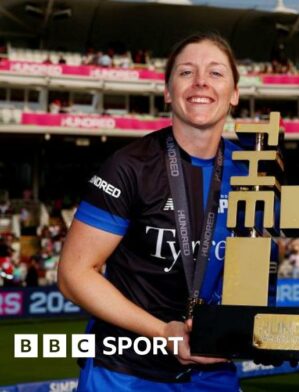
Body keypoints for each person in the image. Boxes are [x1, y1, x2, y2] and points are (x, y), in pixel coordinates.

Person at [58, 32, 247, 390]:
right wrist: (163, 331)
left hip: (213, 373)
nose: (201, 82)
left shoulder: (252, 175)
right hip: (124, 373)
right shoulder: (130, 166)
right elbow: (73, 274)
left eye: (216, 73)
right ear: (167, 91)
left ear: (235, 93)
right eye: (186, 72)